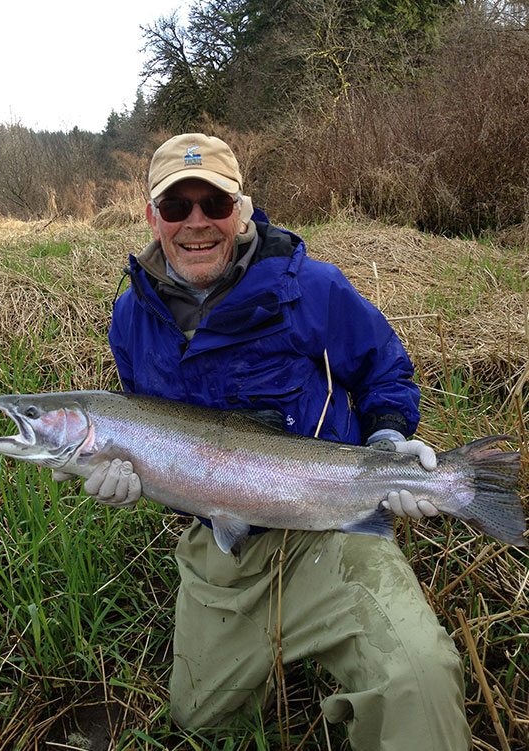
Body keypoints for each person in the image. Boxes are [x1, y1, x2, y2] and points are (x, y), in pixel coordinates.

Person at [55, 133, 472, 750]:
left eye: (214, 206)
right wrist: (130, 481)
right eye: (176, 208)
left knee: (420, 678)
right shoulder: (131, 320)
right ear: (151, 217)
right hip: (224, 547)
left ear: (241, 210)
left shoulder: (314, 288)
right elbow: (170, 452)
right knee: (198, 719)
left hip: (332, 531)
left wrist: (388, 443)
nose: (196, 224)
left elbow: (386, 369)